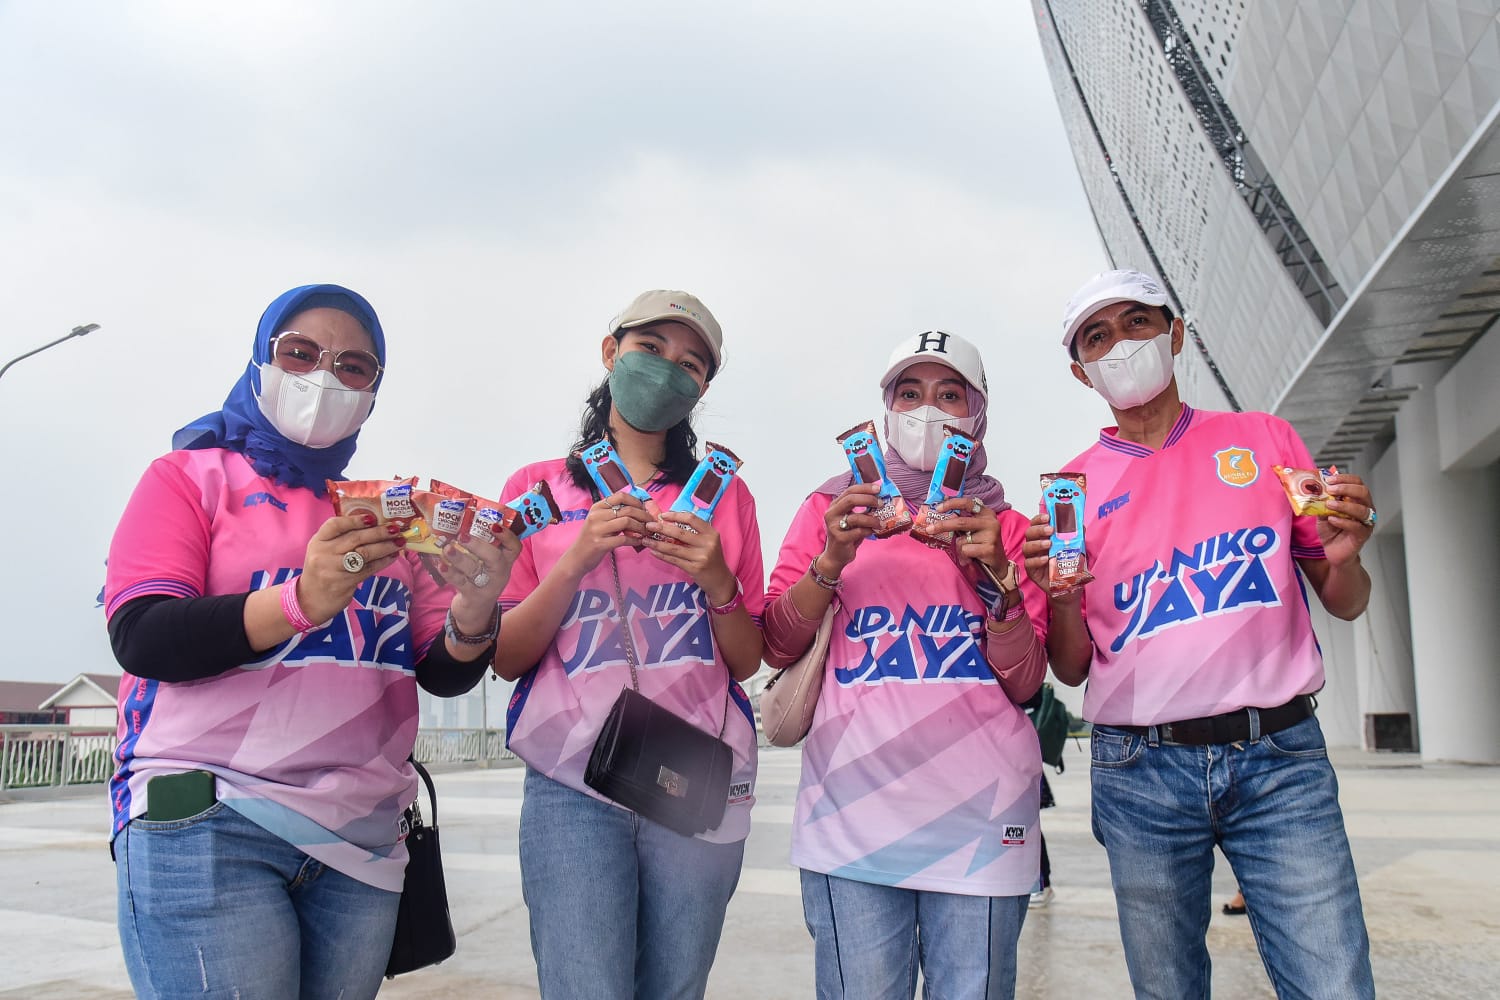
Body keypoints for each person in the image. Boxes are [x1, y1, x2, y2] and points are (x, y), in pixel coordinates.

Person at [104, 283, 519, 999]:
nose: (325, 377)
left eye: (354, 368)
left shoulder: (392, 515)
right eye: (299, 354)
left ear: (373, 390)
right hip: (213, 814)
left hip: (360, 842)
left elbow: (439, 670)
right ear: (262, 361)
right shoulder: (188, 479)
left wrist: (477, 608)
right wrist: (301, 599)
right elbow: (144, 637)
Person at [1023, 269, 1378, 999]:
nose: (1121, 345)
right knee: (1167, 989)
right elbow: (1072, 667)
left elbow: (1344, 600)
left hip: (1279, 759)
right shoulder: (1073, 491)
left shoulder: (1263, 438)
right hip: (1140, 770)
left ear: (1176, 332)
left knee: (1334, 980)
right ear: (1080, 372)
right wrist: (1060, 601)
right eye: (1098, 337)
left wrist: (1347, 557)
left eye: (1136, 323)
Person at [491, 290, 764, 999]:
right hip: (570, 774)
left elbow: (745, 658)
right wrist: (576, 558)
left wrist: (716, 579)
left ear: (703, 388)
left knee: (675, 987)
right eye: (651, 348)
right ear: (611, 352)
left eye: (692, 363)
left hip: (692, 766)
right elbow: (506, 655)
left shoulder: (723, 497)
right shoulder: (536, 491)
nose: (669, 369)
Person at [763, 330, 1048, 999]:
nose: (928, 411)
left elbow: (1029, 679)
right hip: (850, 822)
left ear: (978, 414)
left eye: (951, 394)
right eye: (909, 394)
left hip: (984, 819)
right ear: (885, 410)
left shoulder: (1010, 527)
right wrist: (831, 559)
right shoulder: (831, 509)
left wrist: (995, 578)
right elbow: (776, 642)